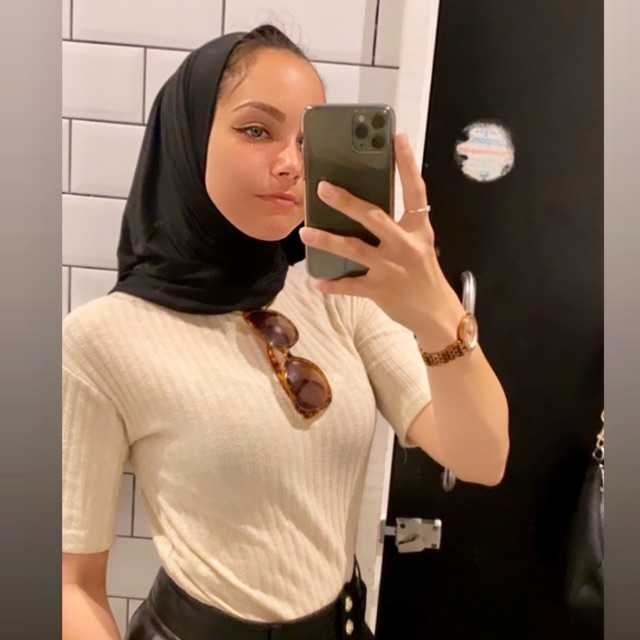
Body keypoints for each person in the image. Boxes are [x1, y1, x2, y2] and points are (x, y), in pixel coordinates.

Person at [63, 23, 499, 640]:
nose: (292, 163)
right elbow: (71, 583)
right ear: (189, 138)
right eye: (256, 130)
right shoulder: (101, 341)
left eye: (306, 139)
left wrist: (434, 305)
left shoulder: (340, 296)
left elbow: (482, 458)